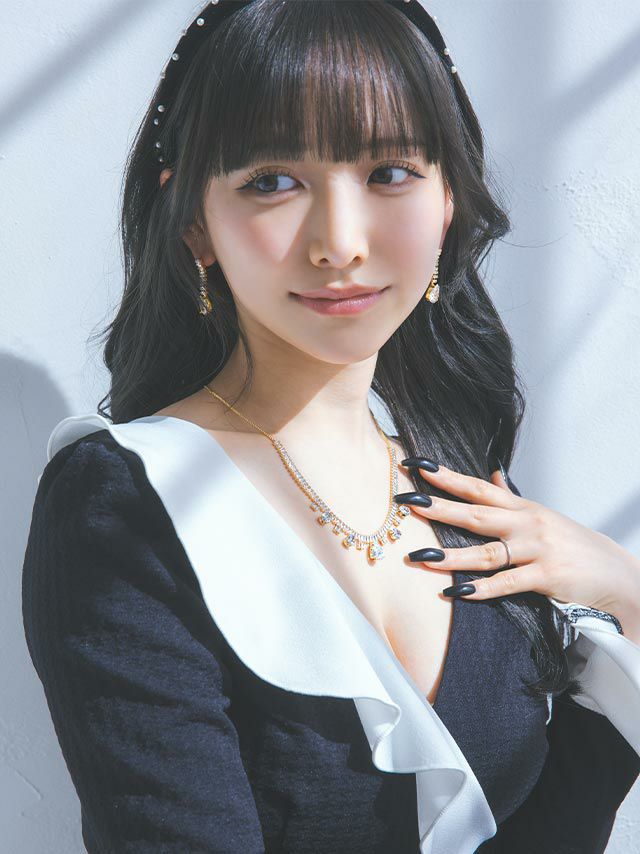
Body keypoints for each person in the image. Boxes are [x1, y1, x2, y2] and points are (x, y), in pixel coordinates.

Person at [21, 1, 640, 852]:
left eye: (390, 171)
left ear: (449, 199)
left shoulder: (459, 488)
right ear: (195, 223)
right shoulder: (127, 499)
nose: (340, 243)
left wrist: (626, 594)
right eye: (272, 181)